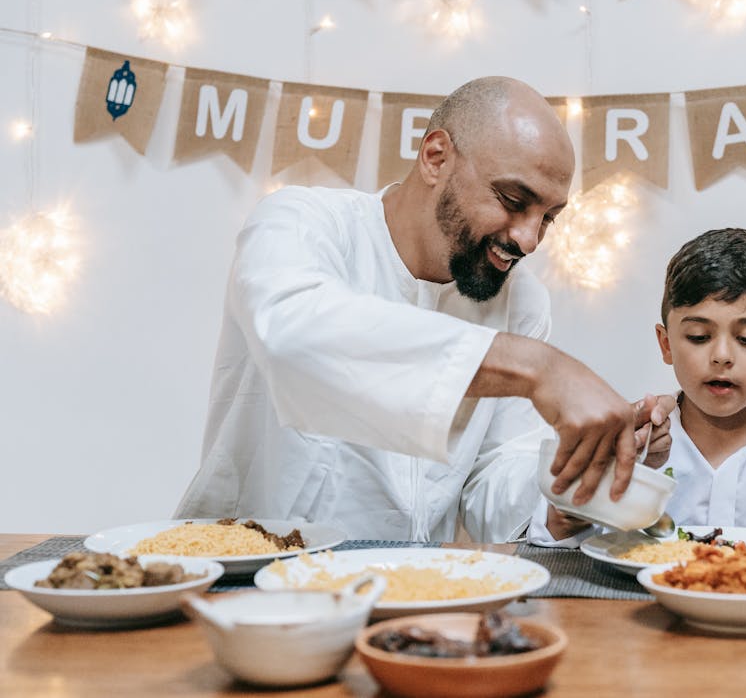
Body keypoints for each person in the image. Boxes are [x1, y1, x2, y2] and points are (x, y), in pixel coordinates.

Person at [175, 76, 671, 542]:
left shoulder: (520, 299)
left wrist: (569, 490)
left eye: (548, 218)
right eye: (513, 199)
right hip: (251, 588)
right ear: (435, 157)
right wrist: (538, 368)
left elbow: (491, 489)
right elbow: (291, 337)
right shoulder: (302, 222)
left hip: (413, 598)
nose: (528, 238)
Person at [529, 228, 746, 550]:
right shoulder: (633, 441)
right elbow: (559, 548)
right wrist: (569, 513)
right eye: (698, 337)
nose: (721, 356)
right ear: (666, 344)